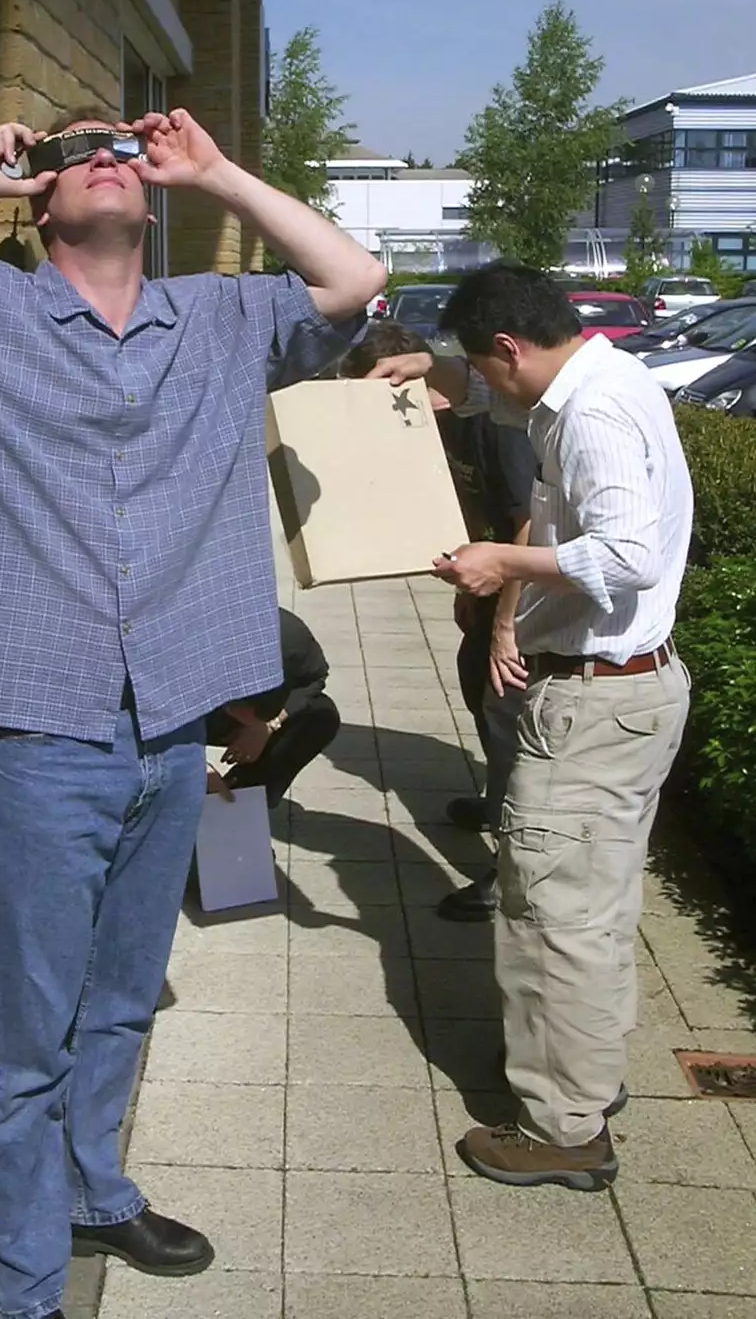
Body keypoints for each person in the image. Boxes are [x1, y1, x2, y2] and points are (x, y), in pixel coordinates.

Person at [0, 106, 384, 1319]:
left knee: (121, 993)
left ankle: (97, 1185)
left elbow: (354, 277)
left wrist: (215, 172)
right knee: (21, 1039)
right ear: (37, 201)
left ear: (153, 199)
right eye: (71, 152)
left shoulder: (223, 318)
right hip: (43, 734)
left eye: (122, 148)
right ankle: (20, 1286)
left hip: (176, 726)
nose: (101, 158)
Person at [370, 262, 692, 1191]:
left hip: (593, 704)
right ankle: (586, 1084)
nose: (487, 385)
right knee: (594, 906)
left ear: (511, 346)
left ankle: (562, 1131)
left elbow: (626, 556)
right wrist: (443, 373)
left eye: (484, 364)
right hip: (629, 694)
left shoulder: (589, 415)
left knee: (554, 919)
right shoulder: (603, 377)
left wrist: (496, 561)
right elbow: (508, 404)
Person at [347, 322, 536, 919]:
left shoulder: (495, 426)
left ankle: (511, 871)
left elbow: (529, 526)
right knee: (471, 679)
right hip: (492, 587)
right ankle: (496, 804)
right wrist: (470, 593)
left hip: (533, 596)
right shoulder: (438, 423)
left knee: (508, 719)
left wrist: (504, 626)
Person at [205, 607, 340, 807]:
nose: (245, 716)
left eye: (254, 713)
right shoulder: (191, 647)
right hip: (174, 715)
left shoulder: (292, 639)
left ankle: (241, 800)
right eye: (237, 708)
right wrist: (197, 770)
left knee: (321, 715)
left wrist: (268, 726)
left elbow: (315, 679)